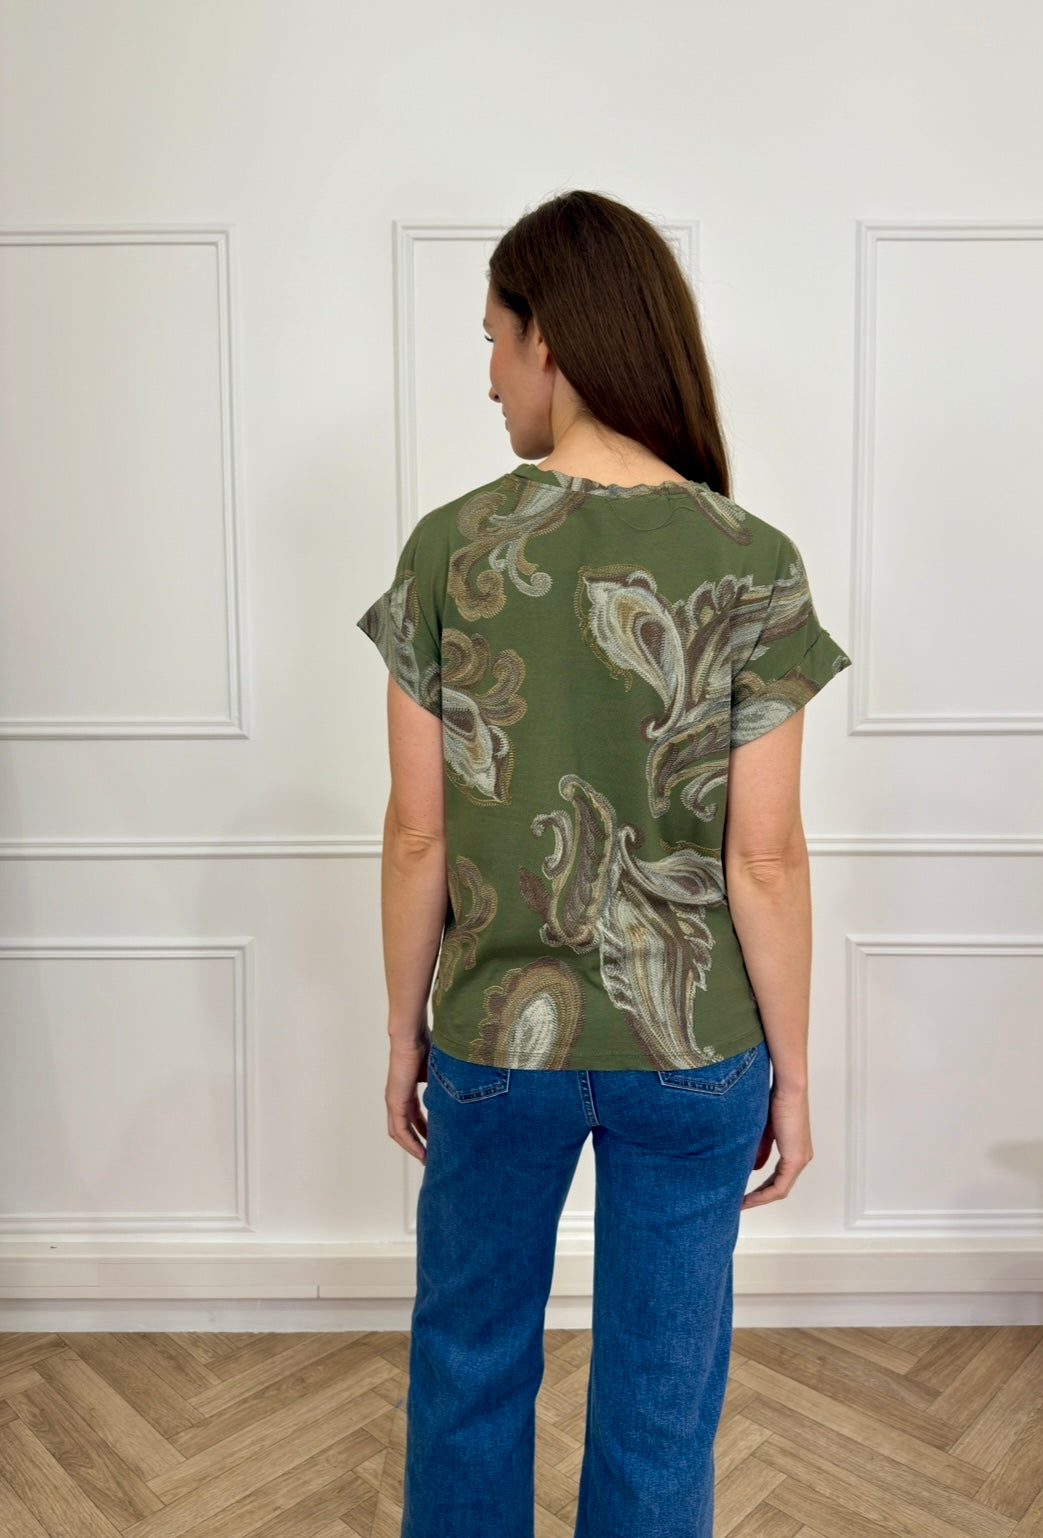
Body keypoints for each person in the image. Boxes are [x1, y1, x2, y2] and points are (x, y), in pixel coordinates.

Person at [356, 189, 852, 1538]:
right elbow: (766, 856)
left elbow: (417, 833)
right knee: (659, 1403)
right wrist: (793, 1072)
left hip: (494, 1041)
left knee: (468, 1367)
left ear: (550, 339)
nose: (489, 376)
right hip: (693, 1048)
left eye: (493, 338)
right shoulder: (753, 562)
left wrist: (403, 1031)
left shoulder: (450, 549)